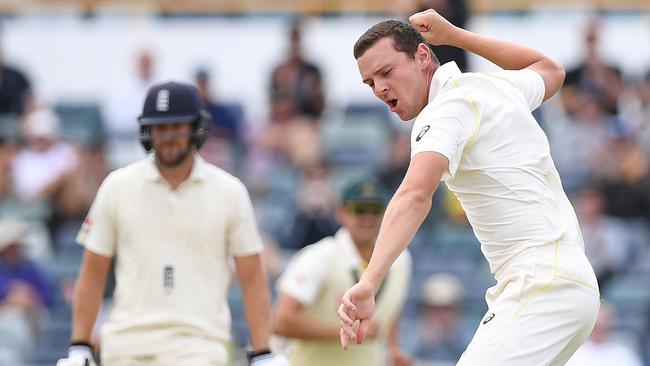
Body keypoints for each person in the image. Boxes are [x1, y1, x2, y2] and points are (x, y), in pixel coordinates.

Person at [337, 9, 600, 366]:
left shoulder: (445, 108)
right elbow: (550, 69)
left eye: (387, 72)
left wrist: (369, 282)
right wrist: (456, 36)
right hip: (571, 282)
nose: (380, 87)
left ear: (423, 56)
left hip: (541, 280)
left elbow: (415, 194)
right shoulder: (493, 87)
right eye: (370, 82)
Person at [56, 81, 289, 366]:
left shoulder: (230, 192)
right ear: (147, 131)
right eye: (160, 128)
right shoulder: (117, 187)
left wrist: (262, 352)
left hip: (201, 347)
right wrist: (80, 346)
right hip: (126, 347)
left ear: (196, 128)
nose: (168, 137)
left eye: (176, 127)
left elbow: (252, 277)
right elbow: (93, 272)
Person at [273, 176, 412, 366]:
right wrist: (346, 332)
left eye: (376, 210)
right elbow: (281, 321)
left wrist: (393, 350)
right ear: (342, 212)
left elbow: (390, 309)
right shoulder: (319, 256)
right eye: (360, 210)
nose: (368, 218)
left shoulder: (401, 259)